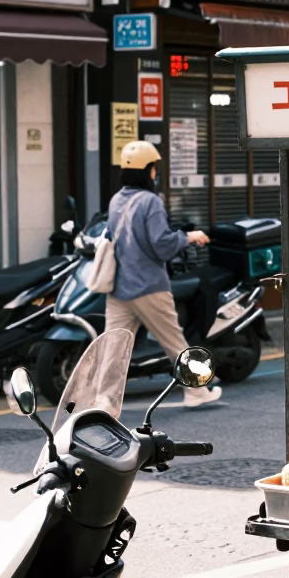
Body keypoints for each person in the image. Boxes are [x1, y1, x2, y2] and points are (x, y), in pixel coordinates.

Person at [104, 140, 222, 408]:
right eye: (154, 167)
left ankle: (104, 403)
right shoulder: (150, 201)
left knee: (113, 350)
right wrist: (190, 237)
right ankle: (196, 393)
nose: (156, 172)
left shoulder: (116, 201)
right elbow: (162, 244)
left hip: (119, 288)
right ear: (148, 170)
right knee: (175, 342)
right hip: (149, 287)